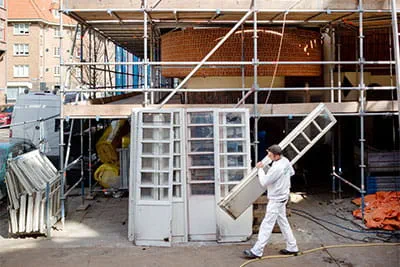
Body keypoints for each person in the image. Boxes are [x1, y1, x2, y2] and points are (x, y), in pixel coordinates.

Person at [243, 144, 299, 259]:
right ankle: (292, 247)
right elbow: (291, 173)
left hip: (276, 199)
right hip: (283, 197)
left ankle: (257, 251)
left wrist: (260, 169)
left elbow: (264, 182)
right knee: (283, 223)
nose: (268, 156)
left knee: (266, 225)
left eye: (269, 155)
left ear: (275, 155)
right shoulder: (285, 161)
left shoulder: (276, 168)